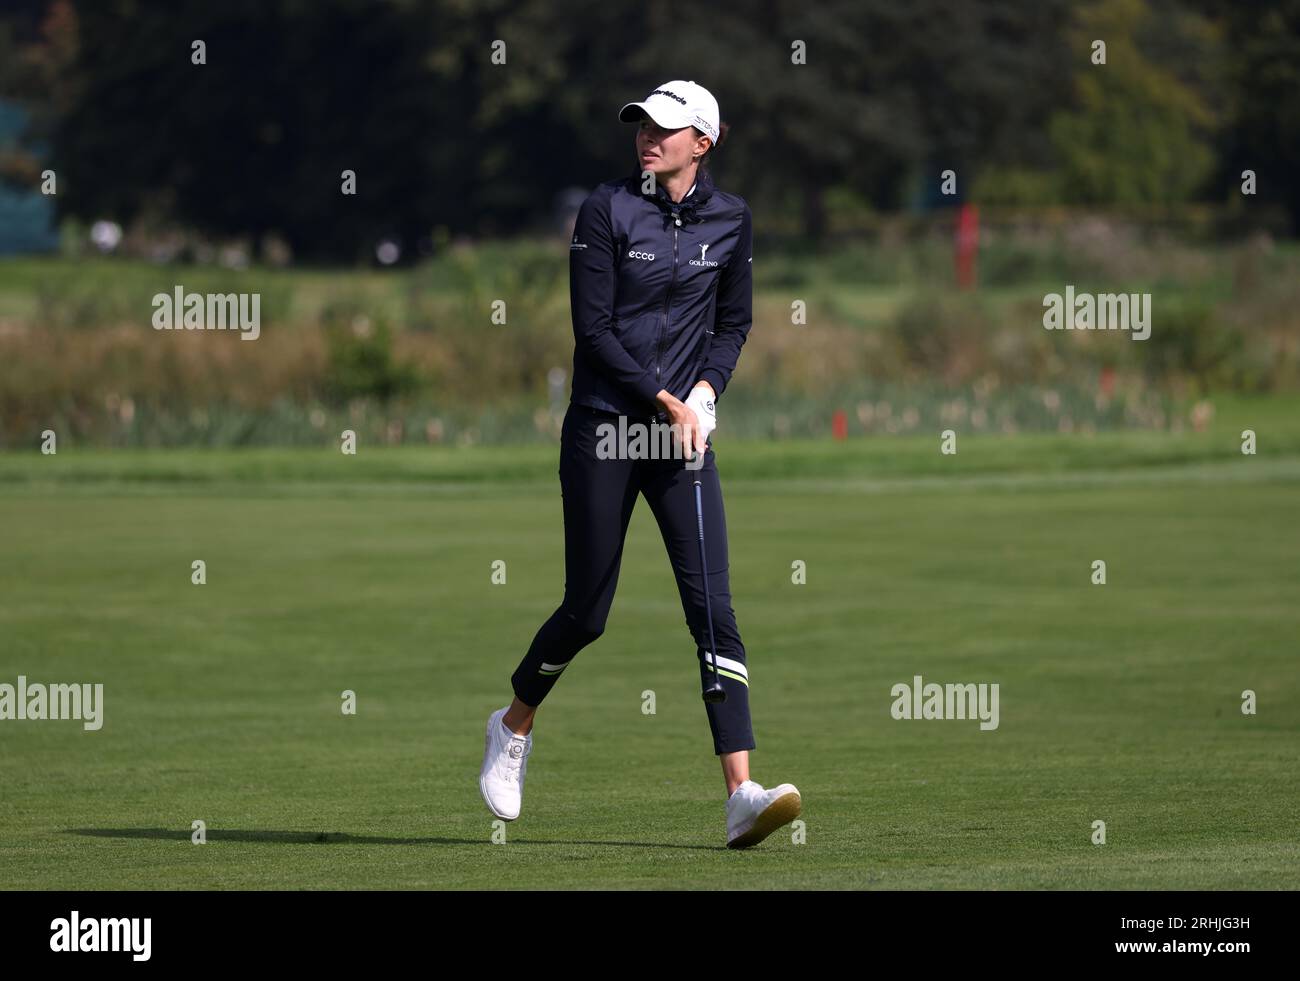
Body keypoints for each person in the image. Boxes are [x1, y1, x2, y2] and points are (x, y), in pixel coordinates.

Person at [479, 80, 800, 848]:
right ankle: (513, 724)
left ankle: (740, 793)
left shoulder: (731, 219)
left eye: (664, 128)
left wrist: (706, 391)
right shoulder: (606, 210)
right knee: (587, 612)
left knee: (713, 609)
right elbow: (593, 333)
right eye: (641, 126)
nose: (646, 137)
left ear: (703, 141)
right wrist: (666, 398)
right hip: (603, 429)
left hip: (680, 437)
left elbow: (734, 320)